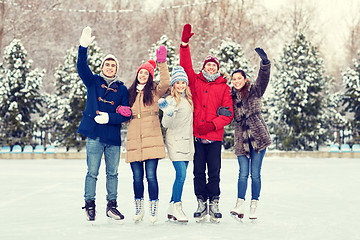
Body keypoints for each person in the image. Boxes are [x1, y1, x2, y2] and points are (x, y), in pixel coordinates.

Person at [179, 23, 234, 223]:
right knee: (198, 171)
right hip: (197, 137)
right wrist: (184, 45)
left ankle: (214, 201)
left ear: (218, 69)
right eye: (208, 64)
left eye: (214, 65)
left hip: (214, 137)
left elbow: (227, 114)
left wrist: (211, 125)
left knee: (215, 172)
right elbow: (185, 67)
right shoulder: (195, 81)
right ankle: (201, 201)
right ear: (204, 67)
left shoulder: (224, 88)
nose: (211, 67)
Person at [77, 26, 131, 222]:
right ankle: (90, 205)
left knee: (113, 174)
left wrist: (109, 117)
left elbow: (126, 114)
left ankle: (112, 206)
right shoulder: (93, 82)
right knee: (92, 173)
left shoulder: (122, 89)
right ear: (102, 67)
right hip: (95, 136)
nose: (110, 68)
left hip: (113, 138)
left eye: (113, 66)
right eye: (107, 65)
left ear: (116, 69)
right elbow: (81, 67)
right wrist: (83, 47)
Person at [125, 45, 170, 224]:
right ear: (137, 75)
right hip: (134, 140)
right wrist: (121, 111)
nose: (142, 75)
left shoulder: (154, 91)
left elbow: (166, 82)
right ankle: (139, 208)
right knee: (137, 178)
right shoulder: (129, 93)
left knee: (151, 176)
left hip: (152, 138)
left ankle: (153, 208)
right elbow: (123, 111)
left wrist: (162, 63)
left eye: (146, 73)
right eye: (140, 73)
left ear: (150, 76)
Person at [229, 48, 271, 221]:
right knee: (242, 173)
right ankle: (239, 204)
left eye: (239, 78)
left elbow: (263, 78)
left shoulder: (255, 90)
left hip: (258, 137)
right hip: (241, 138)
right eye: (234, 79)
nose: (237, 81)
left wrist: (265, 64)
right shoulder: (230, 95)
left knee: (255, 173)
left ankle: (253, 205)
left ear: (245, 79)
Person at [158, 66, 194, 223]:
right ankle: (178, 207)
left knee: (182, 176)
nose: (180, 85)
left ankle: (171, 207)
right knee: (181, 175)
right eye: (177, 83)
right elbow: (165, 124)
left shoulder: (189, 100)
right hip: (174, 141)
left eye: (183, 82)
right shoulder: (170, 101)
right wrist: (169, 113)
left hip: (187, 142)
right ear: (173, 85)